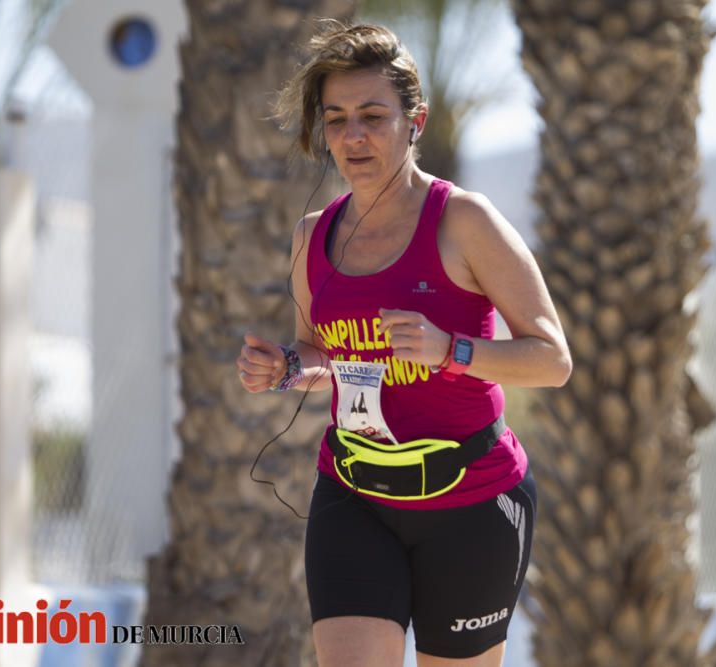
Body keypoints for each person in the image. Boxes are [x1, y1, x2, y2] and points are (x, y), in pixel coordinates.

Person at [236, 21, 571, 667]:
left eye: (371, 115)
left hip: (472, 499)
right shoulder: (313, 234)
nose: (351, 136)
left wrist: (453, 350)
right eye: (335, 119)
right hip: (354, 489)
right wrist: (283, 366)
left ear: (414, 121)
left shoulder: (464, 220)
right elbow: (326, 356)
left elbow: (553, 359)